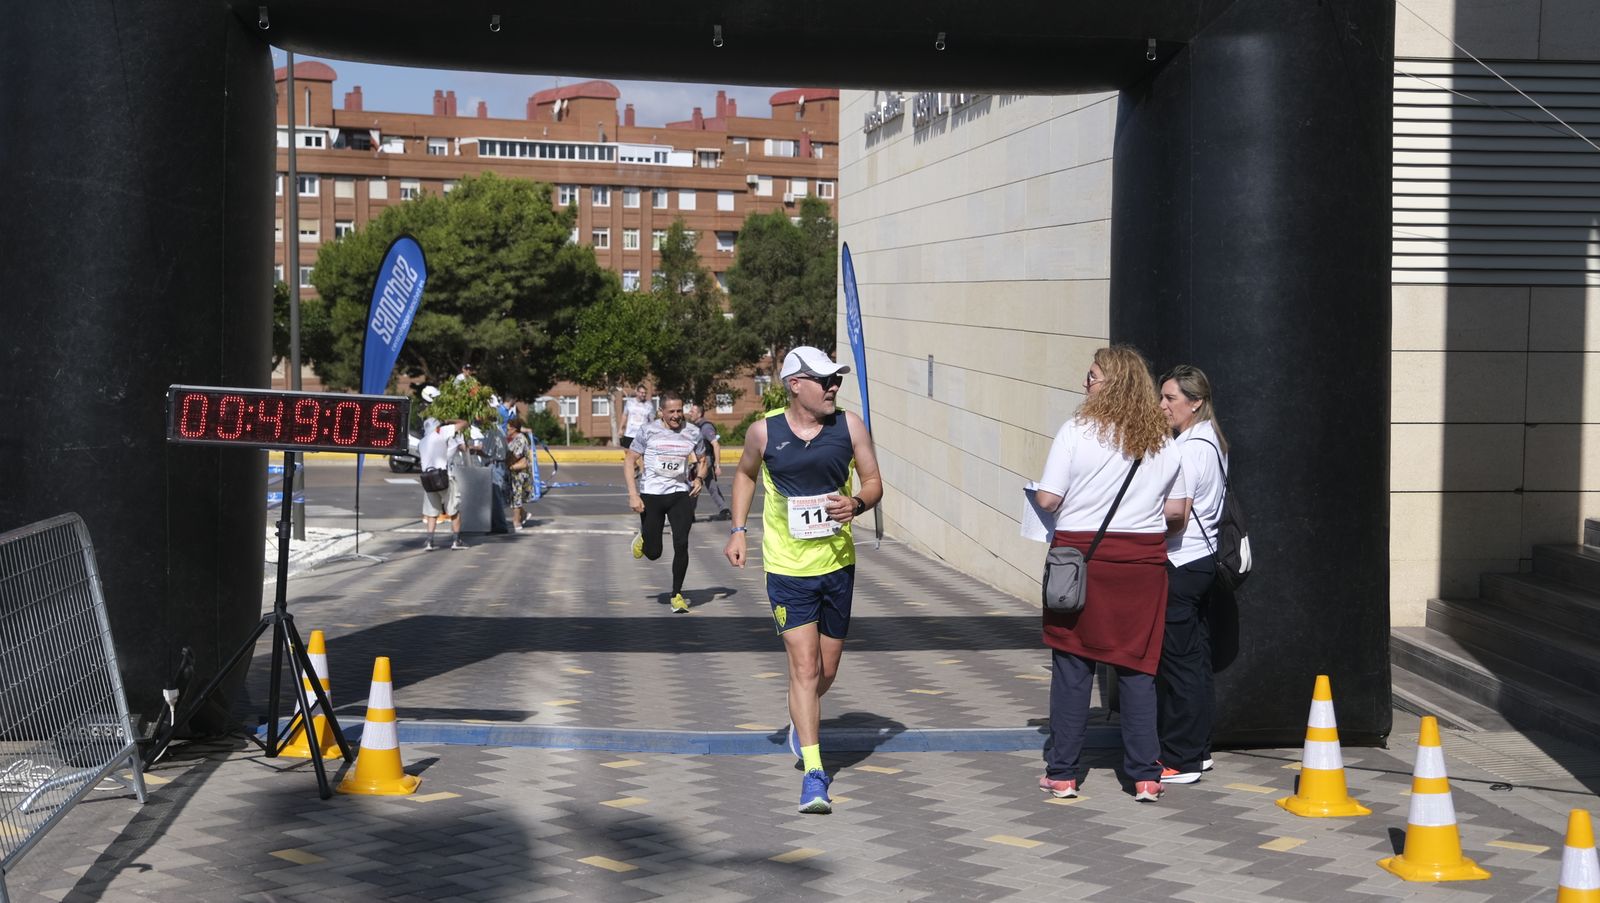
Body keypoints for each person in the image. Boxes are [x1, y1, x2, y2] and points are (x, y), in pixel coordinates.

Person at [724, 346, 882, 815]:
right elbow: (745, 475)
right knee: (805, 668)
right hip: (787, 568)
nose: (833, 387)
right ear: (795, 385)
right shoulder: (763, 431)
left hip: (837, 564)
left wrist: (856, 503)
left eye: (836, 380)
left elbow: (873, 481)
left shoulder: (850, 427)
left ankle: (800, 715)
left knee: (825, 672)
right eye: (824, 380)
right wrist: (738, 530)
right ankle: (815, 773)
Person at [1031, 345, 1183, 803]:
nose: (1086, 383)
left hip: (1082, 562)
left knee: (1073, 665)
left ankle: (1063, 773)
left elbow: (1049, 501)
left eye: (1093, 376)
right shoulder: (1162, 438)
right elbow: (1175, 512)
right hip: (1142, 566)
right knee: (1138, 668)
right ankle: (1144, 775)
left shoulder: (1076, 430)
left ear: (1113, 383)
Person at [1154, 364, 1228, 785]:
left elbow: (1177, 516)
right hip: (1202, 564)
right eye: (1162, 397)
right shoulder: (1212, 442)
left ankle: (1180, 759)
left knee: (1179, 664)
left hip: (1181, 564)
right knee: (1195, 661)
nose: (1162, 405)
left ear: (1195, 402)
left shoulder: (1188, 450)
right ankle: (1197, 751)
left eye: (1170, 398)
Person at [624, 392, 705, 613]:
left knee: (682, 543)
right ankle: (644, 537)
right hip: (651, 495)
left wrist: (699, 477)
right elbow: (629, 460)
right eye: (671, 412)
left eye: (680, 411)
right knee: (653, 553)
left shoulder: (693, 432)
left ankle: (677, 594)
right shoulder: (648, 430)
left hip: (679, 494)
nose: (677, 416)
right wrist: (634, 494)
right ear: (661, 412)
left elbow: (703, 459)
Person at [418, 417, 468, 551]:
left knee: (431, 512)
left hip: (428, 479)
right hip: (444, 477)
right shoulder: (442, 432)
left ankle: (429, 542)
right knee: (454, 509)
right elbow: (464, 423)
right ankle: (456, 541)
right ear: (437, 427)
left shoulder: (422, 442)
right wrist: (450, 421)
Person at [687, 402, 730, 519]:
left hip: (704, 461)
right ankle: (724, 509)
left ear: (699, 414)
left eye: (692, 411)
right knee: (711, 486)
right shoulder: (696, 426)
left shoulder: (706, 427)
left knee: (694, 485)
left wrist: (717, 465)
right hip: (700, 460)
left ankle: (689, 515)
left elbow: (716, 445)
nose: (689, 413)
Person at [506, 416, 534, 529]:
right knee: (513, 496)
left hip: (520, 473)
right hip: (515, 472)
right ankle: (524, 514)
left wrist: (506, 462)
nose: (506, 431)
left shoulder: (520, 439)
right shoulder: (515, 439)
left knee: (516, 496)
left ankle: (516, 522)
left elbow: (515, 456)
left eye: (508, 428)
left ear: (513, 429)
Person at [620, 384, 655, 450]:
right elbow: (624, 415)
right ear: (637, 392)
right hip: (629, 433)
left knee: (641, 455)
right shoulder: (630, 402)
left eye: (645, 393)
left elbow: (651, 420)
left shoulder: (649, 405)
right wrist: (621, 428)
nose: (644, 394)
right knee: (627, 453)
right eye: (642, 393)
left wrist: (652, 432)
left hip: (642, 435)